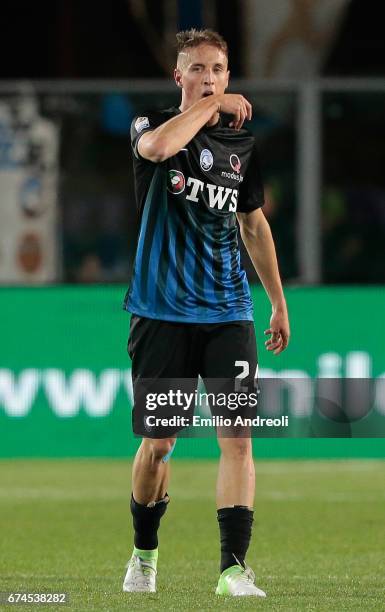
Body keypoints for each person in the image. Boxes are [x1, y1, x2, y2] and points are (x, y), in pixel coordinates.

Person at [122, 28, 290, 597]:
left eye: (217, 69)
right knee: (159, 444)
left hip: (227, 312)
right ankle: (145, 555)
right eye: (197, 69)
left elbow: (253, 224)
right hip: (161, 313)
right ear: (179, 77)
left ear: (228, 73)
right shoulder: (150, 124)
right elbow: (159, 152)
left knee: (238, 438)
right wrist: (213, 106)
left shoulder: (242, 150)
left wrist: (277, 303)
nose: (208, 78)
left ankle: (232, 569)